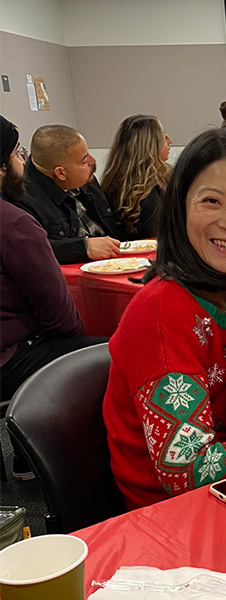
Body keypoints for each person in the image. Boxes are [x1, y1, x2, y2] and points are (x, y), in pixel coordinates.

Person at [102, 127, 226, 510]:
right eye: (211, 201)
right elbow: (184, 468)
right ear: (180, 208)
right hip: (173, 516)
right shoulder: (160, 312)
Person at [0, 116, 107, 479]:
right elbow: (61, 319)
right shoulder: (14, 224)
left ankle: (24, 456)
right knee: (111, 352)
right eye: (17, 154)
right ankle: (69, 466)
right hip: (9, 359)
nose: (22, 163)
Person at [18, 125, 121, 264]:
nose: (92, 161)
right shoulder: (22, 197)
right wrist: (82, 248)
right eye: (84, 160)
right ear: (61, 173)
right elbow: (31, 250)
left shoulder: (84, 177)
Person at [102, 114, 172, 239]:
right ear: (150, 145)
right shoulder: (148, 196)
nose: (169, 140)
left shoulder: (113, 181)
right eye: (163, 135)